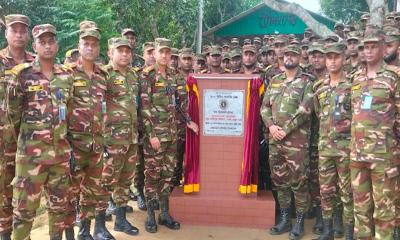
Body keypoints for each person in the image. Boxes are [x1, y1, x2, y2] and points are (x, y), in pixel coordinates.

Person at [7, 23, 73, 240]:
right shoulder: (22, 75)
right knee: (24, 211)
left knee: (59, 209)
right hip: (30, 159)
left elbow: (68, 113)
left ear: (57, 44)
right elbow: (12, 117)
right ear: (34, 45)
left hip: (60, 157)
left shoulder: (66, 76)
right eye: (42, 42)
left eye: (51, 41)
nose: (47, 46)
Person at [140, 38, 198, 233]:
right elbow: (144, 108)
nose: (164, 56)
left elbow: (181, 103)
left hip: (172, 134)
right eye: (161, 52)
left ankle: (164, 213)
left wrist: (189, 121)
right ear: (155, 53)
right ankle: (150, 215)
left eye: (167, 52)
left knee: (167, 174)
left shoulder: (174, 76)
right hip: (155, 137)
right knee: (152, 175)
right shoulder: (147, 75)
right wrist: (151, 135)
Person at [350, 29, 400, 240]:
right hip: (357, 154)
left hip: (383, 156)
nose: (368, 51)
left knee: (384, 208)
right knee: (360, 208)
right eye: (365, 47)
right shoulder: (356, 78)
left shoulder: (393, 77)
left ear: (382, 47)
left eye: (373, 47)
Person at [66, 22, 113, 240]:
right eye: (86, 44)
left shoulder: (103, 76)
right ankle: (68, 234)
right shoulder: (67, 74)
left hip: (96, 146)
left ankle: (85, 232)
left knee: (91, 192)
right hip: (74, 146)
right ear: (79, 45)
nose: (90, 48)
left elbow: (106, 109)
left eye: (94, 44)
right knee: (69, 193)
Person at [261, 45, 313, 240]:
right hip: (276, 141)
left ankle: (299, 221)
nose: (289, 58)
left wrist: (285, 130)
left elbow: (305, 110)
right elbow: (264, 107)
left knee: (299, 182)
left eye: (293, 54)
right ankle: (285, 219)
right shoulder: (275, 81)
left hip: (297, 143)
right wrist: (272, 127)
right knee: (280, 181)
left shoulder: (306, 81)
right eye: (286, 55)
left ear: (299, 57)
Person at [312, 43, 354, 240]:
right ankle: (328, 231)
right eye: (329, 57)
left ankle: (348, 233)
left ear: (344, 59)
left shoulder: (353, 85)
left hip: (346, 149)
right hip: (325, 149)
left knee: (347, 193)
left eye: (336, 57)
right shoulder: (319, 87)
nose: (332, 61)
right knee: (326, 191)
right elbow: (320, 113)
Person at [99, 37, 140, 237]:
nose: (124, 54)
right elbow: (96, 107)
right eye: (120, 50)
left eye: (127, 51)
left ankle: (121, 221)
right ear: (110, 53)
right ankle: (99, 227)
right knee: (106, 181)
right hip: (112, 139)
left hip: (131, 138)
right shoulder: (103, 74)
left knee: (125, 181)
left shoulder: (133, 75)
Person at [0, 14, 34, 240]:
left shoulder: (36, 62)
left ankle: (23, 234)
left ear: (29, 34)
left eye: (23, 30)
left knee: (26, 190)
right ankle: (4, 232)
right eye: (15, 30)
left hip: (31, 140)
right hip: (3, 141)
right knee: (3, 188)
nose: (19, 34)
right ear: (6, 33)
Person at [173, 47, 194, 186]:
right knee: (176, 160)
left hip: (195, 127)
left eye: (189, 59)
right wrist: (187, 119)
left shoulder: (198, 78)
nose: (187, 62)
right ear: (179, 61)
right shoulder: (173, 79)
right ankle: (173, 188)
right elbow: (172, 104)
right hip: (178, 126)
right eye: (184, 59)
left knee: (193, 157)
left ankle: (191, 183)